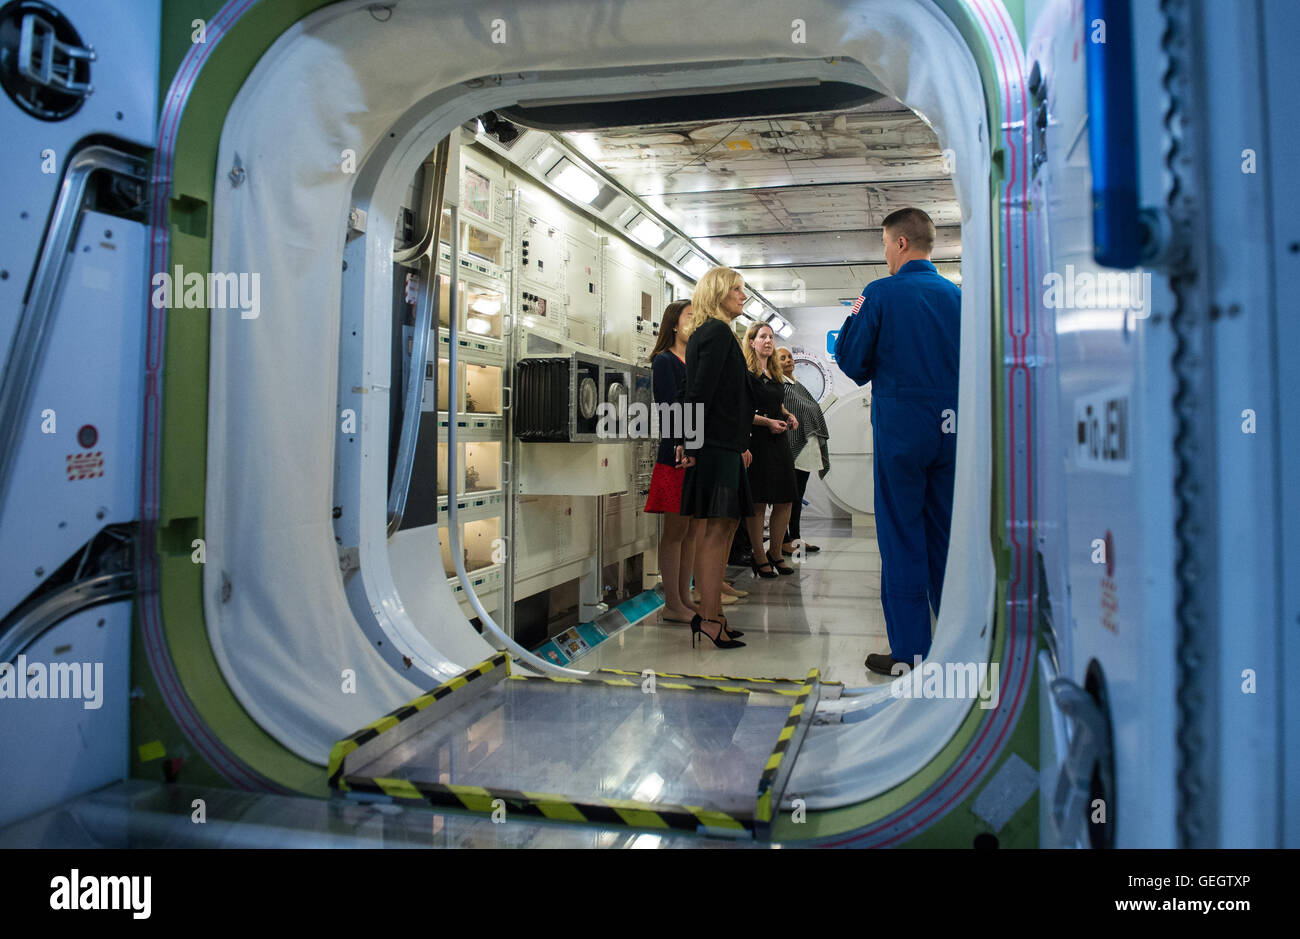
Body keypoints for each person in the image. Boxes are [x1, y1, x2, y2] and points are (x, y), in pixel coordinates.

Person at [834, 207, 960, 677]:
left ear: (901, 244)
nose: (885, 254)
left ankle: (911, 652)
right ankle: (954, 642)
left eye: (886, 245)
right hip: (953, 429)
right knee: (944, 536)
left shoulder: (879, 294)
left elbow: (851, 361)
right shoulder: (959, 297)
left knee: (902, 536)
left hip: (903, 431)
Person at [677, 267, 754, 649]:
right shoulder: (717, 333)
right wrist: (691, 445)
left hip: (719, 444)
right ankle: (709, 618)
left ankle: (714, 615)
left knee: (719, 531)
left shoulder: (711, 334)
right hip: (714, 447)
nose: (743, 296)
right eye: (736, 289)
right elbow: (699, 393)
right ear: (718, 292)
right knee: (714, 532)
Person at [643, 300, 699, 625]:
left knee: (691, 528)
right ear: (674, 325)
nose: (694, 321)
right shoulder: (664, 361)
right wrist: (682, 442)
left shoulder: (694, 360)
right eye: (689, 317)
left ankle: (685, 596)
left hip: (696, 446)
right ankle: (672, 602)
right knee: (676, 529)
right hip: (677, 451)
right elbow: (668, 407)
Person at [741, 322, 799, 578]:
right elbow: (741, 411)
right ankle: (759, 555)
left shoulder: (774, 373)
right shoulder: (745, 374)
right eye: (763, 336)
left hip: (779, 441)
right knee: (759, 501)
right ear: (752, 342)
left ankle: (776, 552)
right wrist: (767, 422)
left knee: (786, 498)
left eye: (771, 337)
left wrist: (788, 415)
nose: (768, 341)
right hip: (757, 441)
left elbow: (776, 403)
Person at [775, 346, 830, 556]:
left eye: (790, 357)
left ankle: (796, 537)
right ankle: (786, 540)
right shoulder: (781, 387)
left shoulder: (797, 385)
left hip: (806, 450)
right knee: (790, 497)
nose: (789, 360)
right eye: (783, 358)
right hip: (793, 449)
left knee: (798, 496)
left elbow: (811, 410)